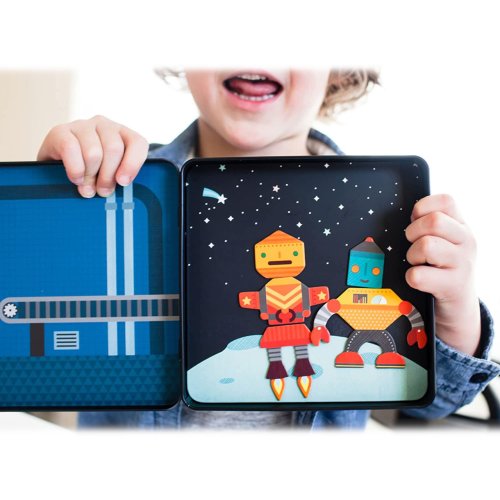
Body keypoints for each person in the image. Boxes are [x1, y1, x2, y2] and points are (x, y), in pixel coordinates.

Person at [37, 69, 499, 429]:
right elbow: (50, 338)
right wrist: (47, 209)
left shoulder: (388, 212)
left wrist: (455, 314)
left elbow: (431, 402)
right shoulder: (123, 195)